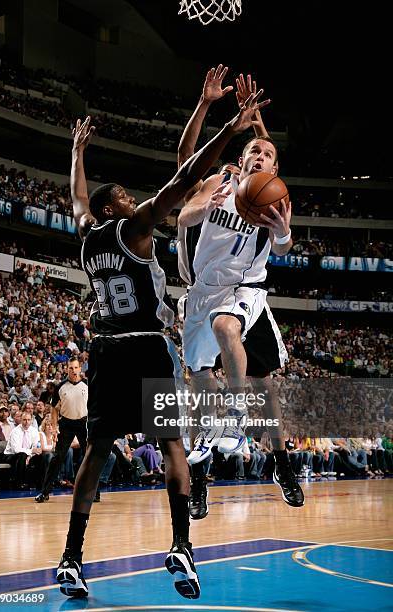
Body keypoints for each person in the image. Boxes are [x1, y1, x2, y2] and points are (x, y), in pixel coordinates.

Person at [55, 102, 261, 600]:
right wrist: (229, 130)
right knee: (172, 445)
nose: (131, 198)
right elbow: (186, 176)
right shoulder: (138, 226)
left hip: (105, 351)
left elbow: (77, 201)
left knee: (97, 452)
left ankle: (70, 557)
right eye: (124, 196)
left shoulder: (86, 236)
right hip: (147, 351)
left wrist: (77, 152)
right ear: (114, 210)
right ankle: (181, 545)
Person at [177, 69, 304, 519]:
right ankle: (200, 481)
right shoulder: (221, 183)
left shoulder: (274, 199)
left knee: (256, 377)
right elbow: (185, 166)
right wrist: (211, 105)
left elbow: (284, 244)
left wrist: (285, 236)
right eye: (253, 150)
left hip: (246, 289)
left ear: (274, 169)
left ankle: (280, 460)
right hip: (200, 292)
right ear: (243, 155)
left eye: (266, 156)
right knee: (200, 387)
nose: (258, 156)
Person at [35, 357, 88, 502]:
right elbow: (53, 409)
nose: (74, 370)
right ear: (67, 369)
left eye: (76, 367)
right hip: (66, 424)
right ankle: (45, 492)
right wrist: (53, 429)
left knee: (89, 458)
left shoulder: (87, 385)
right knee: (57, 458)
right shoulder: (60, 387)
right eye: (71, 368)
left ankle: (93, 492)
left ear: (80, 368)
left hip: (84, 424)